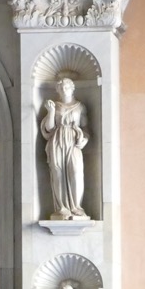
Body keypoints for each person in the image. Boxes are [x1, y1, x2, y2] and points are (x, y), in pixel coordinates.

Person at [40, 76, 89, 220]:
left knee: (76, 172)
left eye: (66, 87)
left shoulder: (80, 107)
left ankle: (76, 207)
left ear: (72, 88)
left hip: (73, 142)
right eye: (61, 88)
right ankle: (62, 208)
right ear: (57, 90)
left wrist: (84, 139)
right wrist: (50, 112)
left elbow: (86, 128)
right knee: (58, 173)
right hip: (57, 141)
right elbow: (49, 128)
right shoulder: (54, 106)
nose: (64, 90)